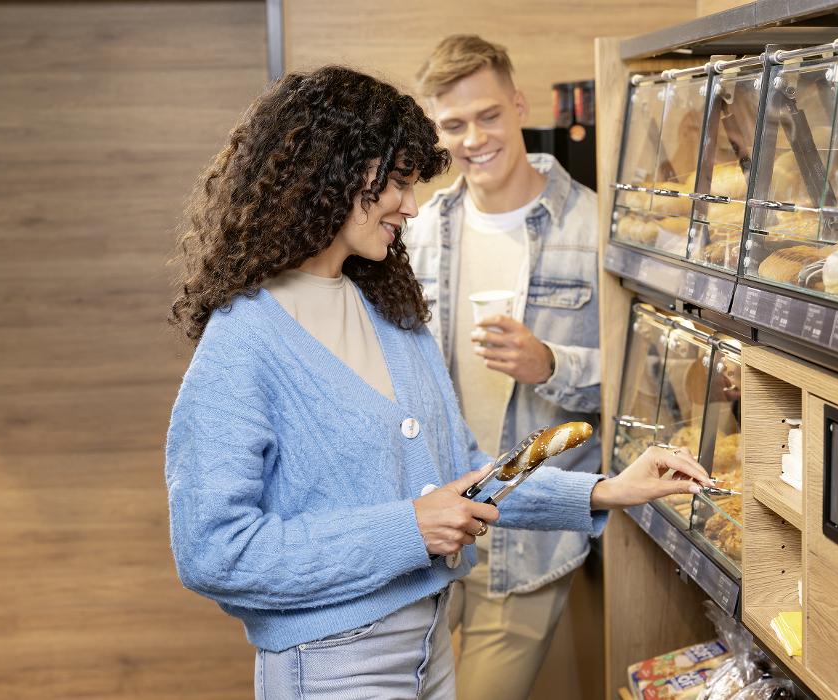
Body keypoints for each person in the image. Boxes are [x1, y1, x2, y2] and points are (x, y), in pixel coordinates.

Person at [165, 65, 711, 700]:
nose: (412, 204)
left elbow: (463, 474)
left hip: (428, 652)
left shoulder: (389, 310)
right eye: (395, 183)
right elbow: (213, 551)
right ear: (329, 173)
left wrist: (606, 491)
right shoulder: (245, 340)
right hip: (333, 668)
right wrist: (408, 528)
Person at [405, 35, 601, 698]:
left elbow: (642, 382)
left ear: (518, 105)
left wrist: (553, 364)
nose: (474, 139)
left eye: (488, 115)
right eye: (454, 125)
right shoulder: (421, 228)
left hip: (530, 534)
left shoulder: (593, 226)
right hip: (432, 524)